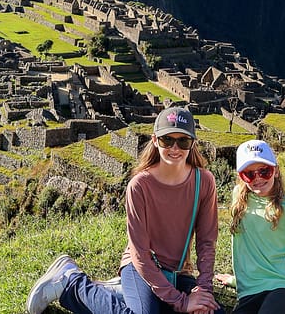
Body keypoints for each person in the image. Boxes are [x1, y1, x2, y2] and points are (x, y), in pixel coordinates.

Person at [27, 106, 224, 314]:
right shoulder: (139, 186)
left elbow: (206, 241)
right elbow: (140, 254)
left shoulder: (204, 181)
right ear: (155, 140)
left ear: (192, 143)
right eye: (168, 140)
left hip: (177, 272)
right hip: (140, 267)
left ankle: (120, 292)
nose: (175, 148)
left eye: (183, 141)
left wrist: (204, 291)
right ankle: (71, 283)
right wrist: (181, 302)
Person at [215, 140, 285, 314]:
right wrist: (235, 280)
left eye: (264, 171)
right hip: (249, 290)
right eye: (249, 175)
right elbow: (245, 250)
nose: (258, 178)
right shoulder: (239, 200)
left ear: (275, 170)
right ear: (241, 177)